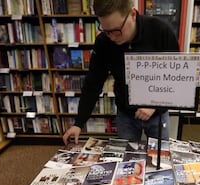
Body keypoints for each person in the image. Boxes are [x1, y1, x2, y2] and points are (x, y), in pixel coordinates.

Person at [62, 0, 179, 144]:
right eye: (106, 30)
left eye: (116, 30)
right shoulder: (104, 42)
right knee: (126, 160)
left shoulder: (161, 31)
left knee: (160, 160)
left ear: (133, 14)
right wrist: (78, 123)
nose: (112, 37)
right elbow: (93, 84)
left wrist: (155, 104)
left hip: (158, 115)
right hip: (126, 115)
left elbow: (175, 79)